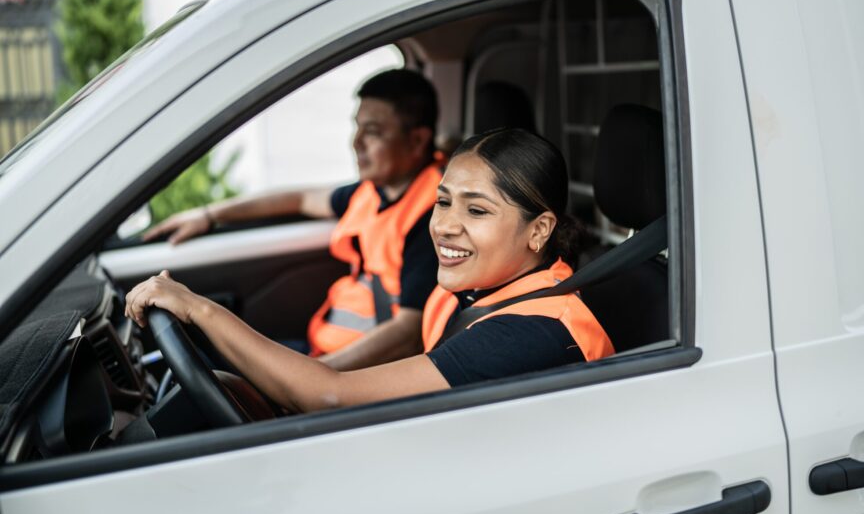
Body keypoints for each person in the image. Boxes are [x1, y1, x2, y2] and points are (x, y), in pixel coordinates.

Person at [125, 128, 614, 413]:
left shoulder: (534, 333)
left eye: (477, 211)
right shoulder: (483, 288)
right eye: (442, 202)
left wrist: (201, 310)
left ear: (538, 230)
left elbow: (330, 394)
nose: (445, 226)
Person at [142, 69, 442, 371]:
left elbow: (408, 332)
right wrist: (210, 215)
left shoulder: (436, 215)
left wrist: (315, 377)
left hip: (351, 375)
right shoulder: (372, 191)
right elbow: (299, 199)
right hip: (323, 356)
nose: (356, 142)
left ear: (417, 141)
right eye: (357, 127)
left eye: (373, 132)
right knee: (202, 359)